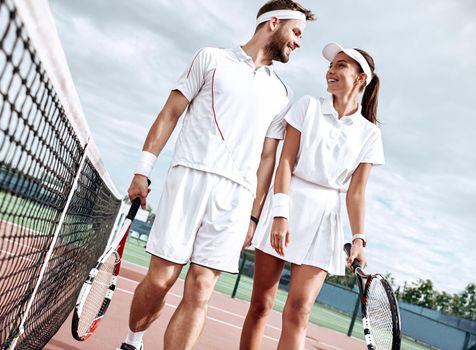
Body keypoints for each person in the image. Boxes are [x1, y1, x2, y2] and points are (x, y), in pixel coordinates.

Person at [118, 2, 316, 350]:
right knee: (161, 279)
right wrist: (142, 172)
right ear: (273, 23)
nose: (298, 43)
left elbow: (267, 158)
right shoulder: (210, 59)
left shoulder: (282, 93)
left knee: (201, 289)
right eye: (297, 32)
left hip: (236, 199)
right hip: (189, 180)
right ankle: (133, 340)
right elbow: (170, 114)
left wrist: (253, 217)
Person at [240, 42, 384, 350]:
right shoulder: (306, 105)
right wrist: (280, 214)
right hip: (287, 205)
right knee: (261, 305)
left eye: (341, 66)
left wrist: (359, 238)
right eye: (331, 65)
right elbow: (285, 163)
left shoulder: (370, 134)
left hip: (325, 220)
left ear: (360, 79)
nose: (331, 70)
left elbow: (356, 192)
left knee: (299, 311)